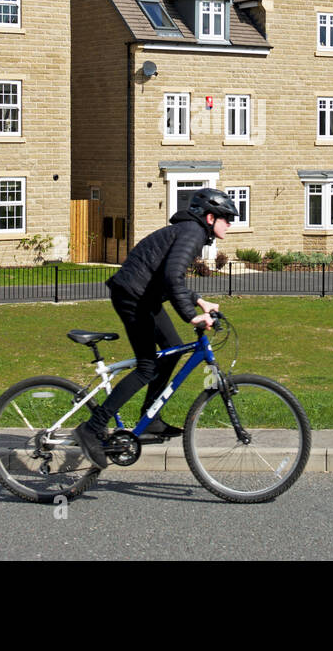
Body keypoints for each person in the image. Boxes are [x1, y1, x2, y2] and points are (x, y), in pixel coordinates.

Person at [74, 188, 240, 467]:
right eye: (227, 218)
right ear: (210, 218)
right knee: (147, 366)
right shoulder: (193, 233)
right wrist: (191, 316)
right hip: (133, 297)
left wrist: (199, 301)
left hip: (144, 296)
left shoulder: (190, 231)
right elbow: (172, 277)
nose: (230, 224)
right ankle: (93, 427)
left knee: (173, 351)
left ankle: (149, 418)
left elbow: (166, 277)